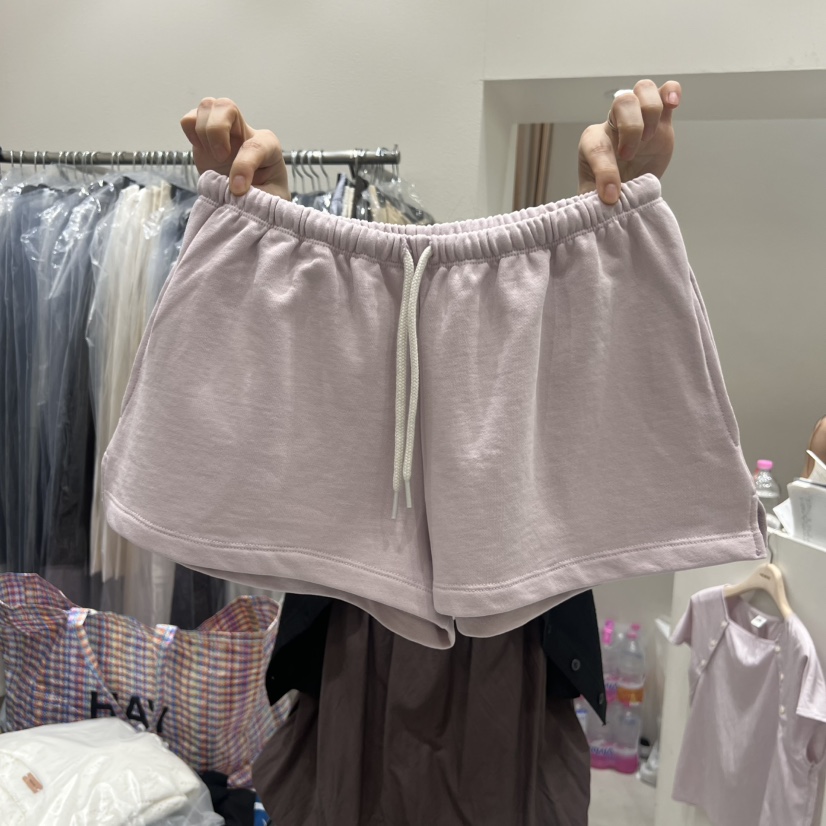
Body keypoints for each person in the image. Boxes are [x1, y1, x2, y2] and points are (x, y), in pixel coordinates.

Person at [179, 79, 682, 825]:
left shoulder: (534, 343)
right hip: (356, 634)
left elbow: (602, 414)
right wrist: (273, 243)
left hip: (508, 644)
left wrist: (601, 244)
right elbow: (272, 422)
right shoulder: (356, 318)